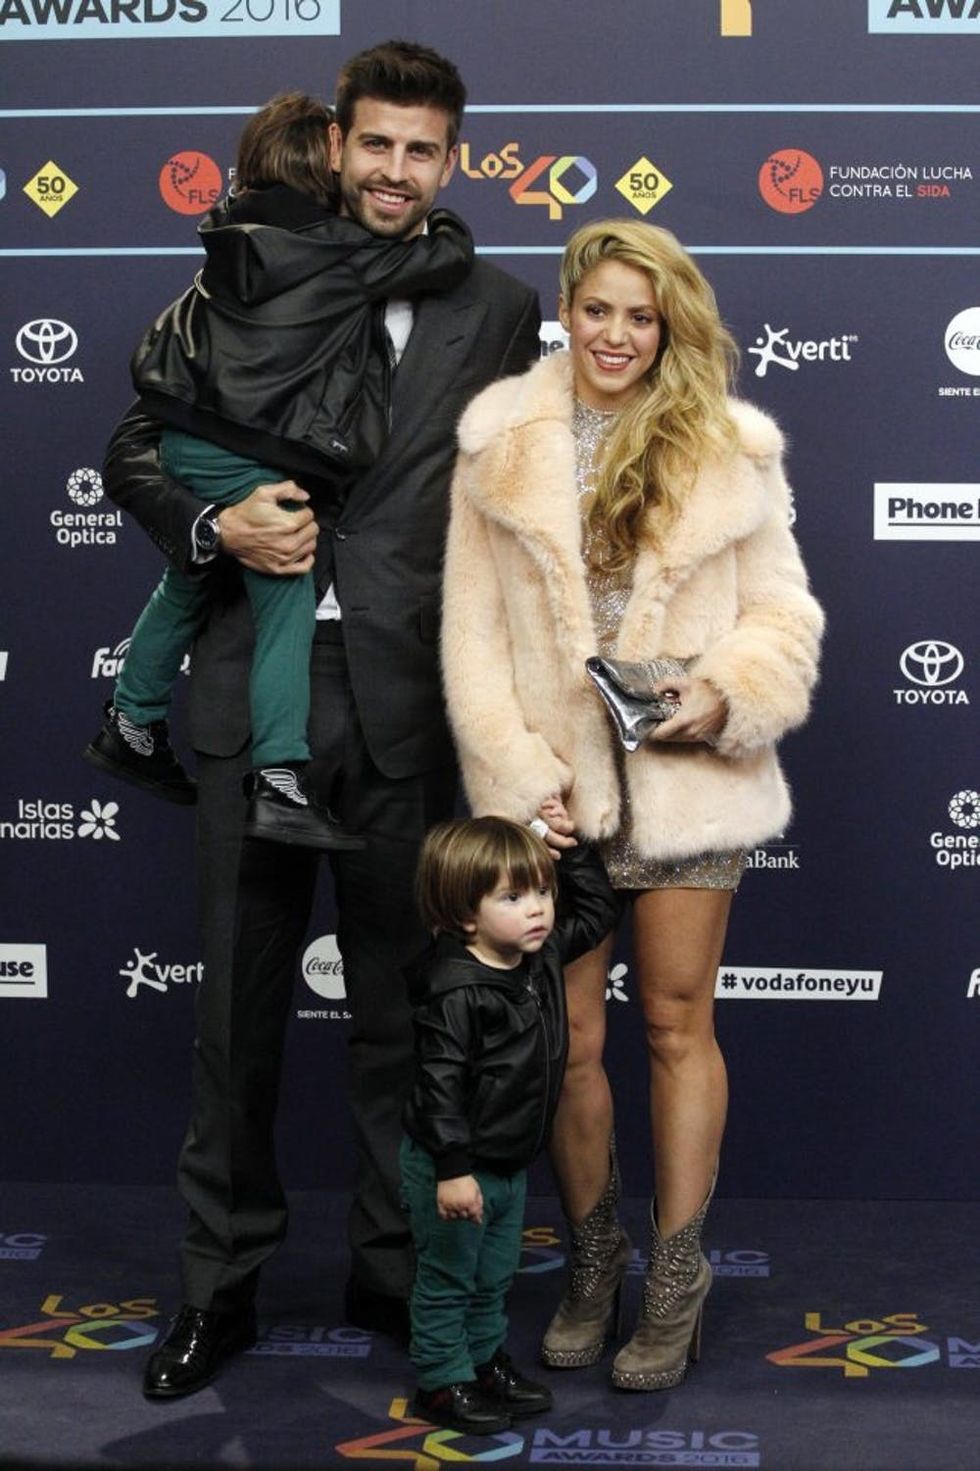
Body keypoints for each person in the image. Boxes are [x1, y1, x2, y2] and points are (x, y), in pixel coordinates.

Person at [101, 40, 541, 1400]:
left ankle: (397, 1269)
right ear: (334, 146)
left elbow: (532, 505)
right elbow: (136, 439)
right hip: (251, 690)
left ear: (453, 160)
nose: (395, 172)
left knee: (407, 1021)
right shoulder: (248, 265)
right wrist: (208, 517)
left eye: (423, 150)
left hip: (410, 702)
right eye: (376, 146)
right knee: (235, 1018)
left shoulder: (499, 304)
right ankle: (217, 1288)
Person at [441, 219, 824, 1391]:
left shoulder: (729, 448)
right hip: (554, 802)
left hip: (687, 785)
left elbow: (782, 615)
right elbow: (471, 635)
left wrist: (722, 697)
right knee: (567, 1047)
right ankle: (592, 1262)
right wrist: (515, 779)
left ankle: (675, 1274)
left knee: (670, 1027)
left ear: (671, 326)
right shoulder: (499, 439)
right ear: (570, 309)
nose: (614, 334)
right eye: (596, 309)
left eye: (639, 315)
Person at [85, 91, 474, 851]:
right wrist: (451, 222)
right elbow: (445, 255)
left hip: (191, 441)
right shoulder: (341, 250)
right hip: (244, 459)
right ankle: (281, 778)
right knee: (289, 596)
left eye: (419, 153)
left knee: (184, 582)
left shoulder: (224, 241)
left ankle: (131, 719)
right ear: (333, 156)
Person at [401, 814, 618, 1435]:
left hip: (507, 1164)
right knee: (447, 1279)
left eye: (544, 892)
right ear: (464, 914)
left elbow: (598, 910)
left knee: (494, 1277)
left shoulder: (540, 955)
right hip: (455, 1171)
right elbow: (437, 1089)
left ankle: (484, 1363)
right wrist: (452, 1171)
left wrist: (569, 851)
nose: (539, 910)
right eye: (513, 897)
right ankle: (443, 1383)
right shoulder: (454, 991)